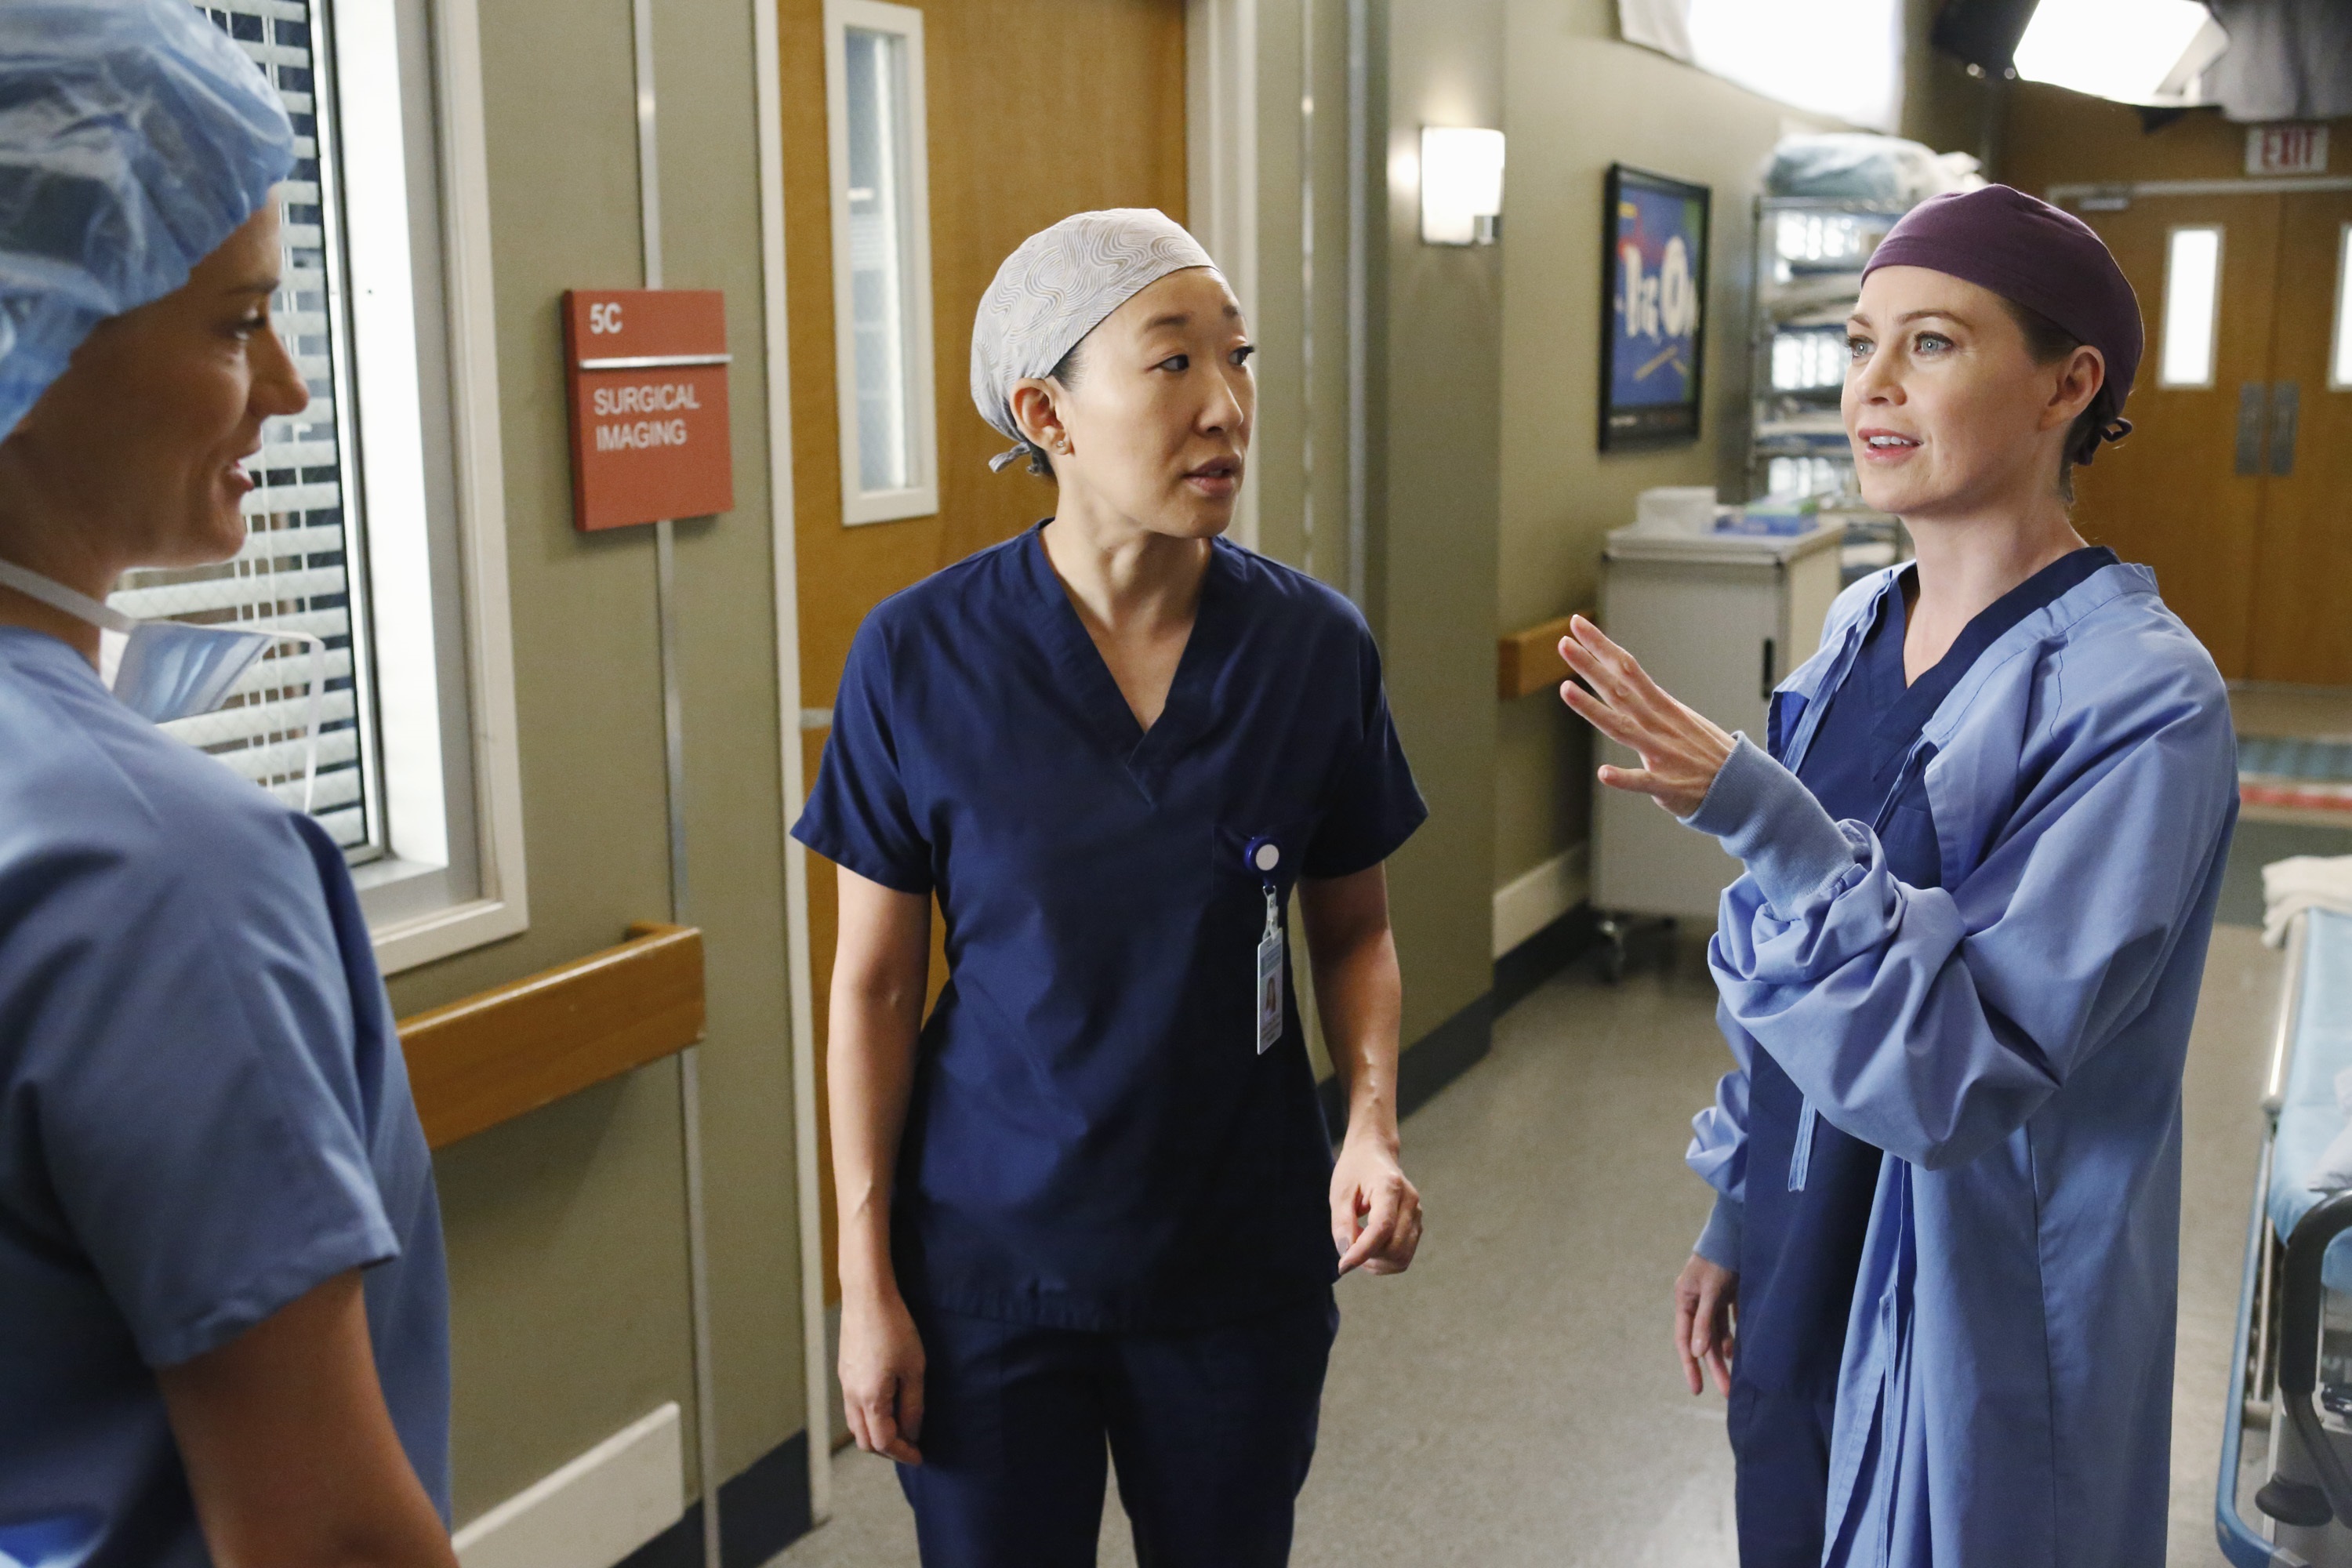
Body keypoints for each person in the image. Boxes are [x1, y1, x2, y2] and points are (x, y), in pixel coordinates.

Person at [1559, 184, 2237, 1566]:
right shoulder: (1864, 622)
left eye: (1931, 343)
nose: (1872, 384)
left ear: (2067, 386)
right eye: (1860, 342)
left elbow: (1961, 1074)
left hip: (1972, 1307)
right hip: (1804, 1255)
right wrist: (1739, 1203)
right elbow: (1780, 965)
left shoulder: (2142, 700)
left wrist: (1761, 812)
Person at [793, 209, 1427, 1567]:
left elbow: (1355, 930)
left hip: (1236, 1260)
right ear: (1047, 414)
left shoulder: (1312, 650)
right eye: (1173, 361)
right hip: (988, 1269)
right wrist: (865, 1279)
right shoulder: (916, 658)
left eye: (1238, 357)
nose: (1226, 405)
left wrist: (1371, 1125)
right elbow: (874, 989)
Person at [0, 5, 455, 1566]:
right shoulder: (151, 870)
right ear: (30, 336)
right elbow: (326, 1541)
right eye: (235, 323)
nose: (291, 390)